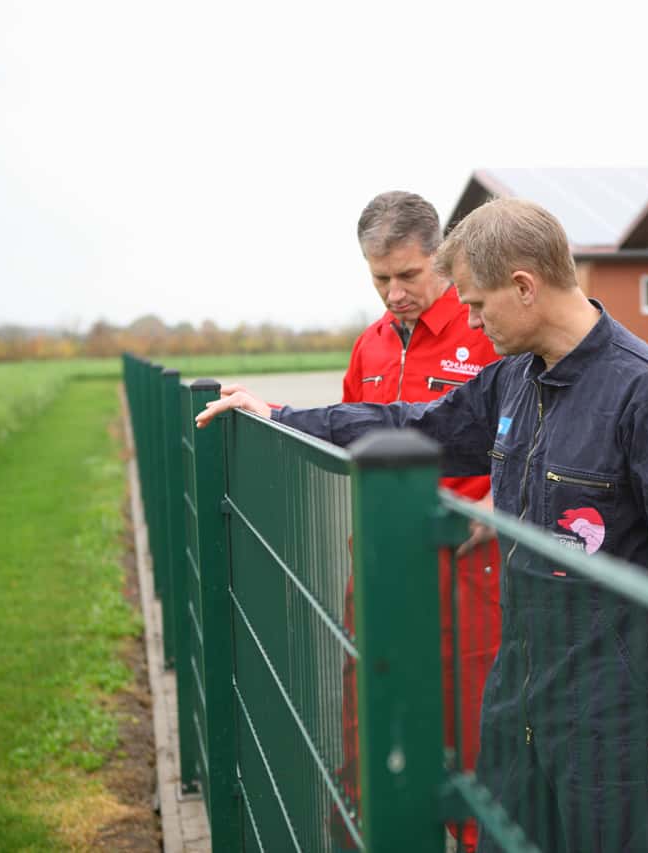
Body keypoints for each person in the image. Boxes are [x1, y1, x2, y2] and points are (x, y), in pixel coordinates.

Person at [197, 198, 648, 853]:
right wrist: (280, 416)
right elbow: (409, 426)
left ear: (524, 286)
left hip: (613, 721)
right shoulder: (513, 381)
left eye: (477, 304)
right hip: (518, 706)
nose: (471, 320)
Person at [222, 191, 502, 852]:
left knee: (467, 726)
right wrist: (276, 418)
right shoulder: (369, 348)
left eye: (408, 275)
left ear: (440, 257)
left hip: (467, 570)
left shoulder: (484, 335)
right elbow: (350, 430)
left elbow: (520, 436)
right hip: (378, 563)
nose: (394, 293)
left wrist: (500, 503)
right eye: (380, 279)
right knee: (367, 716)